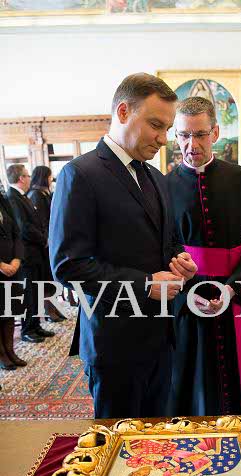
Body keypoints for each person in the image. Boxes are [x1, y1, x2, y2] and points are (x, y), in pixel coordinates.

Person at [50, 73, 197, 419]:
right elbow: (68, 266)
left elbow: (167, 241)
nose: (163, 139)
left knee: (156, 437)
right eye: (156, 125)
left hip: (161, 338)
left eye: (167, 129)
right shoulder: (80, 174)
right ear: (123, 112)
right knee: (119, 444)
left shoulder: (156, 177)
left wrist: (180, 260)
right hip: (114, 344)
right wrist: (146, 285)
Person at [166, 97, 241, 416]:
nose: (191, 144)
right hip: (185, 296)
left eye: (199, 134)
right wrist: (182, 281)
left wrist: (233, 288)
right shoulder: (164, 185)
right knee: (188, 373)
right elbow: (160, 246)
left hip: (232, 293)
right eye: (184, 135)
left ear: (215, 133)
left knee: (232, 374)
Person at [6, 164, 54, 343]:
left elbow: (36, 222)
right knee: (28, 294)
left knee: (36, 290)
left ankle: (36, 325)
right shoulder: (12, 197)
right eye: (27, 175)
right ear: (21, 178)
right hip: (27, 254)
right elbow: (24, 227)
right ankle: (27, 329)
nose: (29, 179)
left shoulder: (23, 196)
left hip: (36, 252)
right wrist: (43, 239)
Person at [28, 166, 66, 323]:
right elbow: (42, 220)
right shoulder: (36, 195)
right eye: (50, 176)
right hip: (44, 243)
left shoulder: (44, 192)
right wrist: (47, 238)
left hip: (50, 240)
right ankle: (49, 311)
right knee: (46, 280)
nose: (51, 179)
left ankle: (54, 308)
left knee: (51, 279)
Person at [0, 183, 26, 372]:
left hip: (12, 267)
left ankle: (10, 350)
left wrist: (17, 258)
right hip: (1, 267)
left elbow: (17, 233)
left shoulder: (3, 201)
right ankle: (2, 354)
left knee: (9, 311)